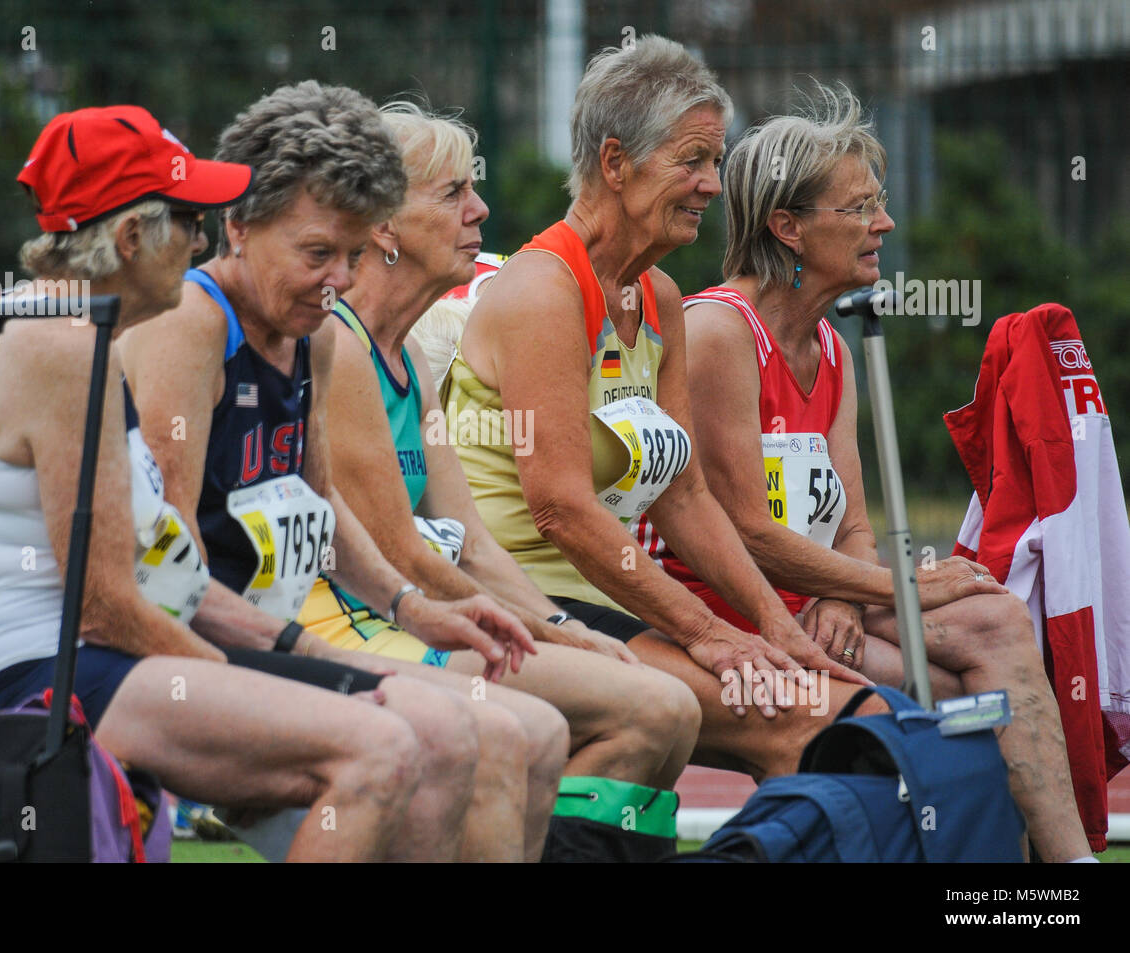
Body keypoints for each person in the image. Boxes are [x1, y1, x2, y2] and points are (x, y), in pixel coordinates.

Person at [0, 105, 522, 862]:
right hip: (38, 679)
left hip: (93, 660)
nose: (200, 241)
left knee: (448, 731)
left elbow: (165, 578)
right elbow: (106, 605)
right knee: (387, 747)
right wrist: (271, 676)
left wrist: (306, 646)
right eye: (187, 221)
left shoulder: (74, 333)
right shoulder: (64, 350)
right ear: (131, 238)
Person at [119, 83, 575, 862]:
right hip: (183, 651)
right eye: (316, 253)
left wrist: (411, 606)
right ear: (237, 227)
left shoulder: (316, 337)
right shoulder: (193, 327)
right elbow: (170, 573)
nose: (338, 280)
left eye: (353, 255)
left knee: (527, 729)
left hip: (267, 640)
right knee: (464, 734)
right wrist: (306, 650)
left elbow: (322, 505)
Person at [649, 84, 1092, 860]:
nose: (883, 224)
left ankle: (1063, 874)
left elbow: (853, 524)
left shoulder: (835, 348)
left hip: (811, 600)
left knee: (992, 622)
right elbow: (746, 530)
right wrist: (897, 587)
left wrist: (842, 592)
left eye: (878, 203)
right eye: (857, 209)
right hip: (717, 614)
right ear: (786, 227)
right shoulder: (717, 331)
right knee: (960, 698)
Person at [441, 37, 880, 778]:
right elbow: (562, 511)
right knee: (824, 725)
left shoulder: (659, 298)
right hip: (528, 602)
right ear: (615, 164)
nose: (713, 184)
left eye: (715, 161)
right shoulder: (547, 289)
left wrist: (776, 625)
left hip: (613, 601)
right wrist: (708, 630)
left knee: (842, 704)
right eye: (693, 160)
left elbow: (686, 495)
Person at [318, 100, 703, 861]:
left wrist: (568, 629)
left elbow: (473, 544)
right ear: (384, 227)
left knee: (666, 709)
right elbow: (399, 553)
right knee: (653, 709)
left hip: (421, 615)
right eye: (453, 192)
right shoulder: (341, 350)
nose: (480, 208)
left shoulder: (412, 362)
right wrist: (537, 629)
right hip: (362, 630)